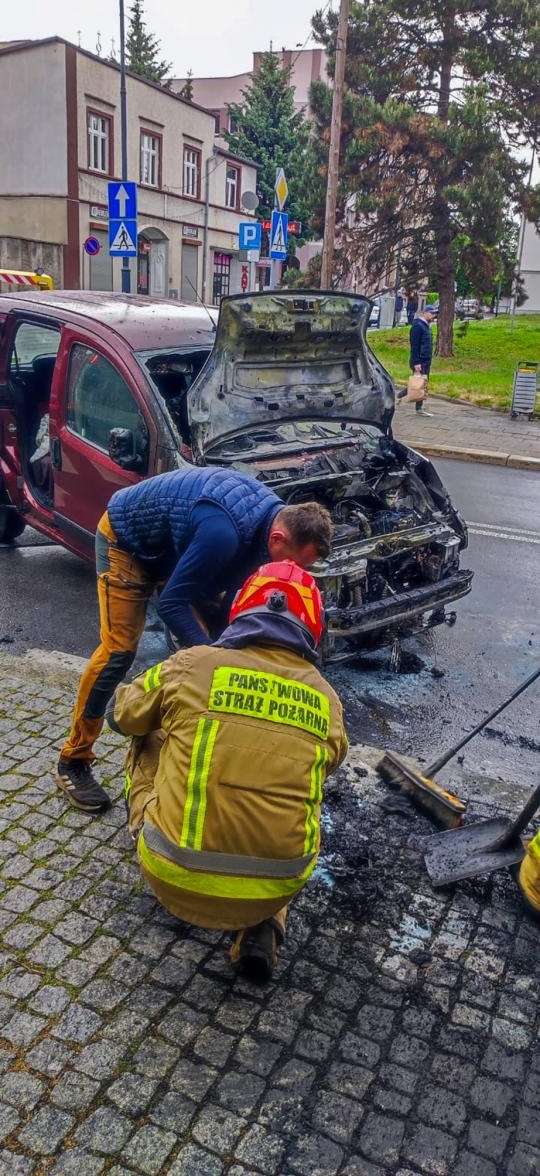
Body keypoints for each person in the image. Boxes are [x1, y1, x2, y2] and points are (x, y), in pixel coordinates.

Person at [106, 560, 348, 980]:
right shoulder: (327, 701)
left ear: (242, 608)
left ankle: (154, 830)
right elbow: (328, 766)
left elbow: (123, 715)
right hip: (276, 886)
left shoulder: (194, 664)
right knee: (290, 791)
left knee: (150, 733)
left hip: (173, 870)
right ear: (312, 626)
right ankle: (266, 925)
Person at [57, 467, 333, 813]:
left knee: (216, 640)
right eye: (293, 562)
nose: (292, 572)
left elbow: (233, 605)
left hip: (177, 549)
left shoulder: (273, 530)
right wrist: (211, 657)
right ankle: (74, 760)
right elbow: (172, 603)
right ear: (278, 538)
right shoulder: (224, 534)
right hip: (128, 542)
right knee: (119, 650)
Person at [397, 303, 438, 416]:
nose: (433, 316)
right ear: (425, 313)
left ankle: (399, 396)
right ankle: (418, 408)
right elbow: (414, 346)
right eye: (431, 313)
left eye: (434, 314)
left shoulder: (426, 326)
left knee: (420, 383)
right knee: (420, 383)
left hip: (426, 360)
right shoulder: (418, 326)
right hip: (419, 361)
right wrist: (416, 362)